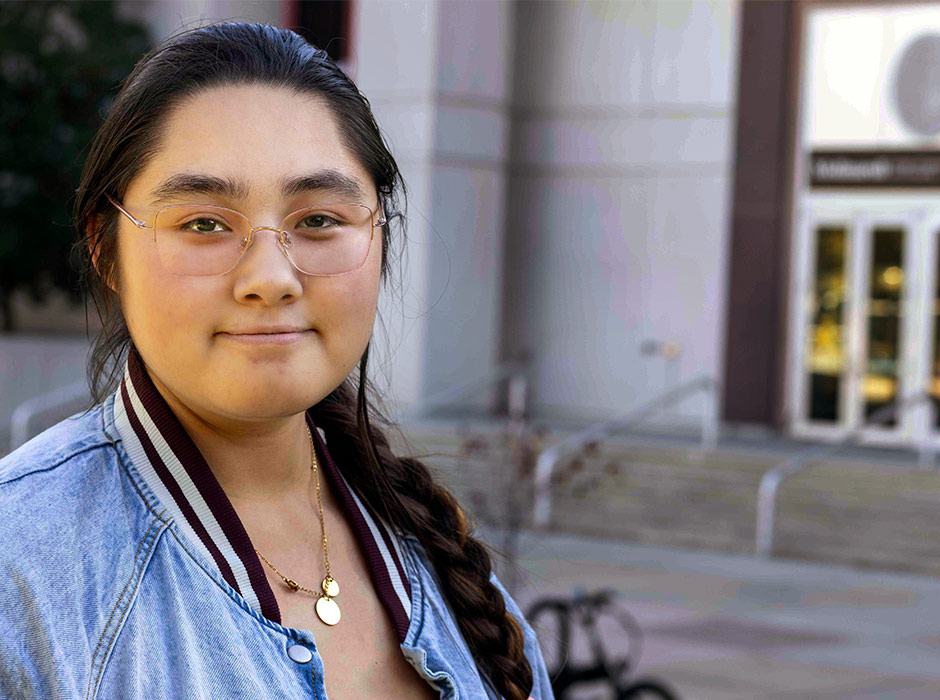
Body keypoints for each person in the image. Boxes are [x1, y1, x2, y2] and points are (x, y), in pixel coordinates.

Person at [0, 22, 552, 700]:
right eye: (203, 223)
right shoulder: (21, 563)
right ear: (105, 248)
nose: (271, 277)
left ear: (380, 237)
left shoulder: (436, 555)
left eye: (318, 220)